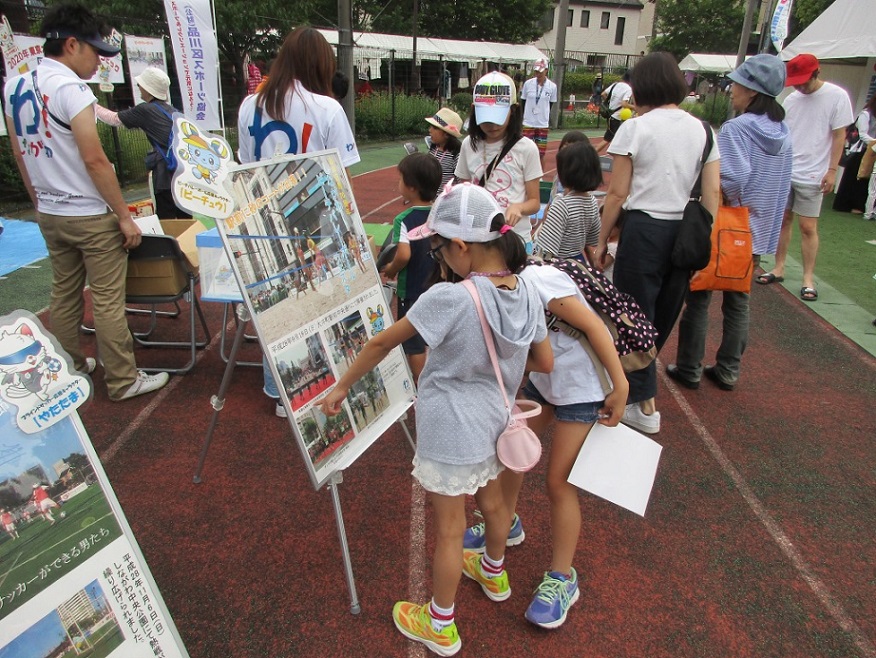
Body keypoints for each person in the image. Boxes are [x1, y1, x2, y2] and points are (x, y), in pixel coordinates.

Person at [320, 184, 552, 657]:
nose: (437, 257)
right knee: (493, 506)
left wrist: (342, 386)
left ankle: (440, 623)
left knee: (448, 530)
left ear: (462, 246)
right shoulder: (528, 288)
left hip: (450, 425)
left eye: (439, 247)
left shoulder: (450, 298)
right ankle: (493, 571)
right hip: (499, 420)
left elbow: (382, 343)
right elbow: (543, 361)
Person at [3, 3, 169, 401]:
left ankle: (69, 368)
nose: (99, 62)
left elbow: (19, 152)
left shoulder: (15, 85)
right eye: (95, 52)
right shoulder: (71, 89)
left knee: (63, 292)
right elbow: (95, 159)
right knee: (108, 299)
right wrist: (124, 216)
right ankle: (123, 380)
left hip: (50, 211)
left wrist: (38, 202)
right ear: (71, 44)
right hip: (89, 214)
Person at [463, 259, 628, 630]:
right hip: (549, 381)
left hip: (584, 388)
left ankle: (562, 577)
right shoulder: (482, 287)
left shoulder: (538, 281)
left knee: (559, 482)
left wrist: (621, 386)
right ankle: (505, 524)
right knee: (511, 454)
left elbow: (593, 326)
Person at [237, 26, 361, 418]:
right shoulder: (327, 108)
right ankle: (326, 382)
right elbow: (345, 178)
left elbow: (244, 166)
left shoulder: (248, 106)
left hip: (262, 218)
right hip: (315, 214)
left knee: (275, 303)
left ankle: (278, 389)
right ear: (321, 65)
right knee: (325, 299)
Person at [595, 52, 720, 434]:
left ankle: (642, 403)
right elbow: (712, 193)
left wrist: (601, 241)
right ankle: (641, 398)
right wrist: (700, 235)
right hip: (685, 232)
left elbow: (616, 193)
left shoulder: (636, 127)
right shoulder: (704, 130)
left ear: (641, 86)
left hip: (644, 229)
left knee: (632, 316)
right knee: (663, 314)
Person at [668, 54, 792, 392]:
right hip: (756, 231)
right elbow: (784, 186)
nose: (731, 88)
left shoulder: (738, 129)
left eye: (737, 83)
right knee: (739, 300)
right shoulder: (784, 132)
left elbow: (734, 179)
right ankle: (728, 369)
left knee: (700, 296)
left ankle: (690, 367)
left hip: (726, 224)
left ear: (752, 90)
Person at [757, 53, 853, 302]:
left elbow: (839, 135)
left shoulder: (836, 96)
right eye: (795, 81)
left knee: (808, 226)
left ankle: (808, 278)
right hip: (786, 168)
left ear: (816, 73)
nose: (799, 85)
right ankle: (779, 267)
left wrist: (832, 170)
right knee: (783, 220)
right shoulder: (792, 99)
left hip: (814, 172)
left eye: (803, 80)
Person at [455, 71, 543, 253]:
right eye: (485, 117)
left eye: (498, 117)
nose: (492, 125)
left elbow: (534, 202)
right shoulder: (468, 145)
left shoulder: (527, 148)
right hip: (479, 240)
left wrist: (518, 207)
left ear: (513, 110)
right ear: (474, 111)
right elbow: (464, 191)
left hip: (515, 240)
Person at [94, 67, 191, 219]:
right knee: (185, 220)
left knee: (168, 221)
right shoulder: (173, 111)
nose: (138, 87)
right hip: (183, 175)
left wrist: (90, 103)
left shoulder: (146, 110)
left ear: (148, 88)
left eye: (140, 84)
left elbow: (113, 119)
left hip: (165, 174)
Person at [380, 153, 442, 383]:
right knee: (435, 336)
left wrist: (392, 269)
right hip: (438, 286)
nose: (398, 184)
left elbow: (404, 254)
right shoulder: (440, 213)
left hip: (413, 289)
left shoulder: (404, 219)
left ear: (412, 187)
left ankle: (421, 384)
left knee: (413, 341)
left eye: (401, 179)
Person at [533, 140, 603, 262]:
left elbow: (547, 249)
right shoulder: (592, 201)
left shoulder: (561, 205)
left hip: (559, 265)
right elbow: (593, 238)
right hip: (577, 261)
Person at [833, 94, 876, 213]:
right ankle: (844, 205)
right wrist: (874, 142)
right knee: (852, 178)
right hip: (859, 151)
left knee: (863, 179)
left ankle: (858, 206)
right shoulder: (866, 114)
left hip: (870, 151)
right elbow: (862, 134)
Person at [520, 58, 557, 164]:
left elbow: (550, 104)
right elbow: (523, 101)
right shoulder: (528, 84)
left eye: (540, 71)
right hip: (528, 122)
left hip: (542, 123)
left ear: (546, 70)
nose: (538, 74)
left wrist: (543, 114)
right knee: (525, 150)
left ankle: (539, 175)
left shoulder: (552, 87)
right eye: (536, 71)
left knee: (540, 152)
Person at [595, 70, 633, 155]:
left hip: (611, 115)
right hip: (616, 117)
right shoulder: (628, 89)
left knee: (618, 138)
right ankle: (592, 154)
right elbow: (624, 103)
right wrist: (635, 107)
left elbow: (603, 94)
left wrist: (610, 105)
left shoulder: (615, 84)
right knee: (608, 139)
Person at [424, 107, 463, 190]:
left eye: (434, 128)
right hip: (429, 199)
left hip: (446, 200)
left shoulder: (456, 155)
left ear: (447, 134)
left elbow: (461, 184)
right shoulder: (433, 149)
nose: (430, 130)